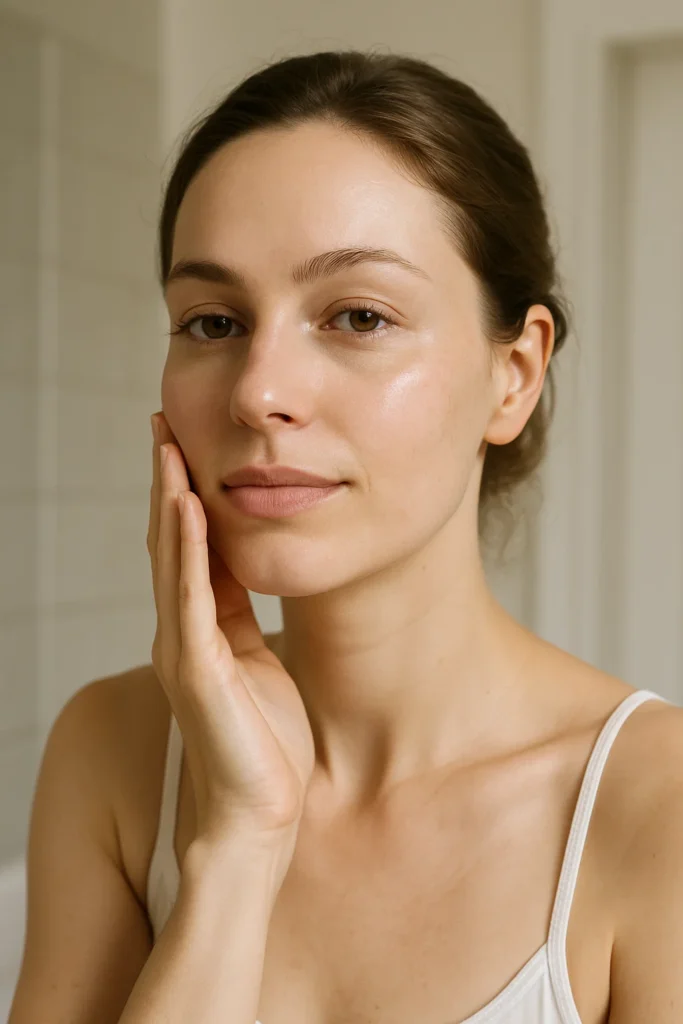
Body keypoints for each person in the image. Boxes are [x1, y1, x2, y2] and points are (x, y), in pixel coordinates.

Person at [9, 49, 683, 1024]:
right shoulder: (114, 753)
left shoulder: (655, 805)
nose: (258, 391)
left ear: (514, 374)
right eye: (212, 323)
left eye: (358, 316)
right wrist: (238, 843)